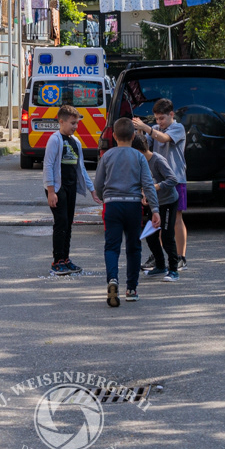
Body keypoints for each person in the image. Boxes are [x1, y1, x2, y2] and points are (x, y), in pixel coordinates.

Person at [94, 117, 157, 307]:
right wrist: (155, 209)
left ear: (113, 136)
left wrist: (105, 197)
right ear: (133, 135)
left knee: (111, 247)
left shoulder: (107, 156)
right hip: (133, 206)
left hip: (112, 205)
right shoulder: (139, 157)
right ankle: (131, 289)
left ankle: (113, 279)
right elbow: (148, 184)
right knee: (133, 247)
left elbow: (98, 184)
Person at [44, 105, 100, 274]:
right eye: (72, 123)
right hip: (57, 188)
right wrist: (51, 191)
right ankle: (57, 261)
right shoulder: (55, 140)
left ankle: (66, 259)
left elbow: (81, 167)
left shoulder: (75, 141)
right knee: (60, 223)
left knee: (68, 224)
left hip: (70, 187)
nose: (75, 126)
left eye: (77, 123)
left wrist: (92, 189)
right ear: (61, 122)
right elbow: (47, 165)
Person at [133, 98, 188, 269]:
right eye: (156, 119)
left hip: (175, 179)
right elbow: (145, 147)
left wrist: (147, 128)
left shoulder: (177, 128)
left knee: (176, 218)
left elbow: (164, 139)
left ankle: (181, 256)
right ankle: (157, 255)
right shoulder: (154, 129)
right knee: (156, 218)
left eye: (162, 118)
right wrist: (139, 132)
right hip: (156, 183)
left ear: (171, 114)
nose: (159, 122)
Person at [138, 140, 180, 280]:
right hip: (154, 203)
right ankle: (160, 265)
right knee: (150, 236)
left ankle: (174, 269)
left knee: (167, 236)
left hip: (168, 202)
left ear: (140, 151)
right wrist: (145, 195)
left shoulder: (158, 160)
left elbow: (173, 179)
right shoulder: (141, 162)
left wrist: (156, 186)